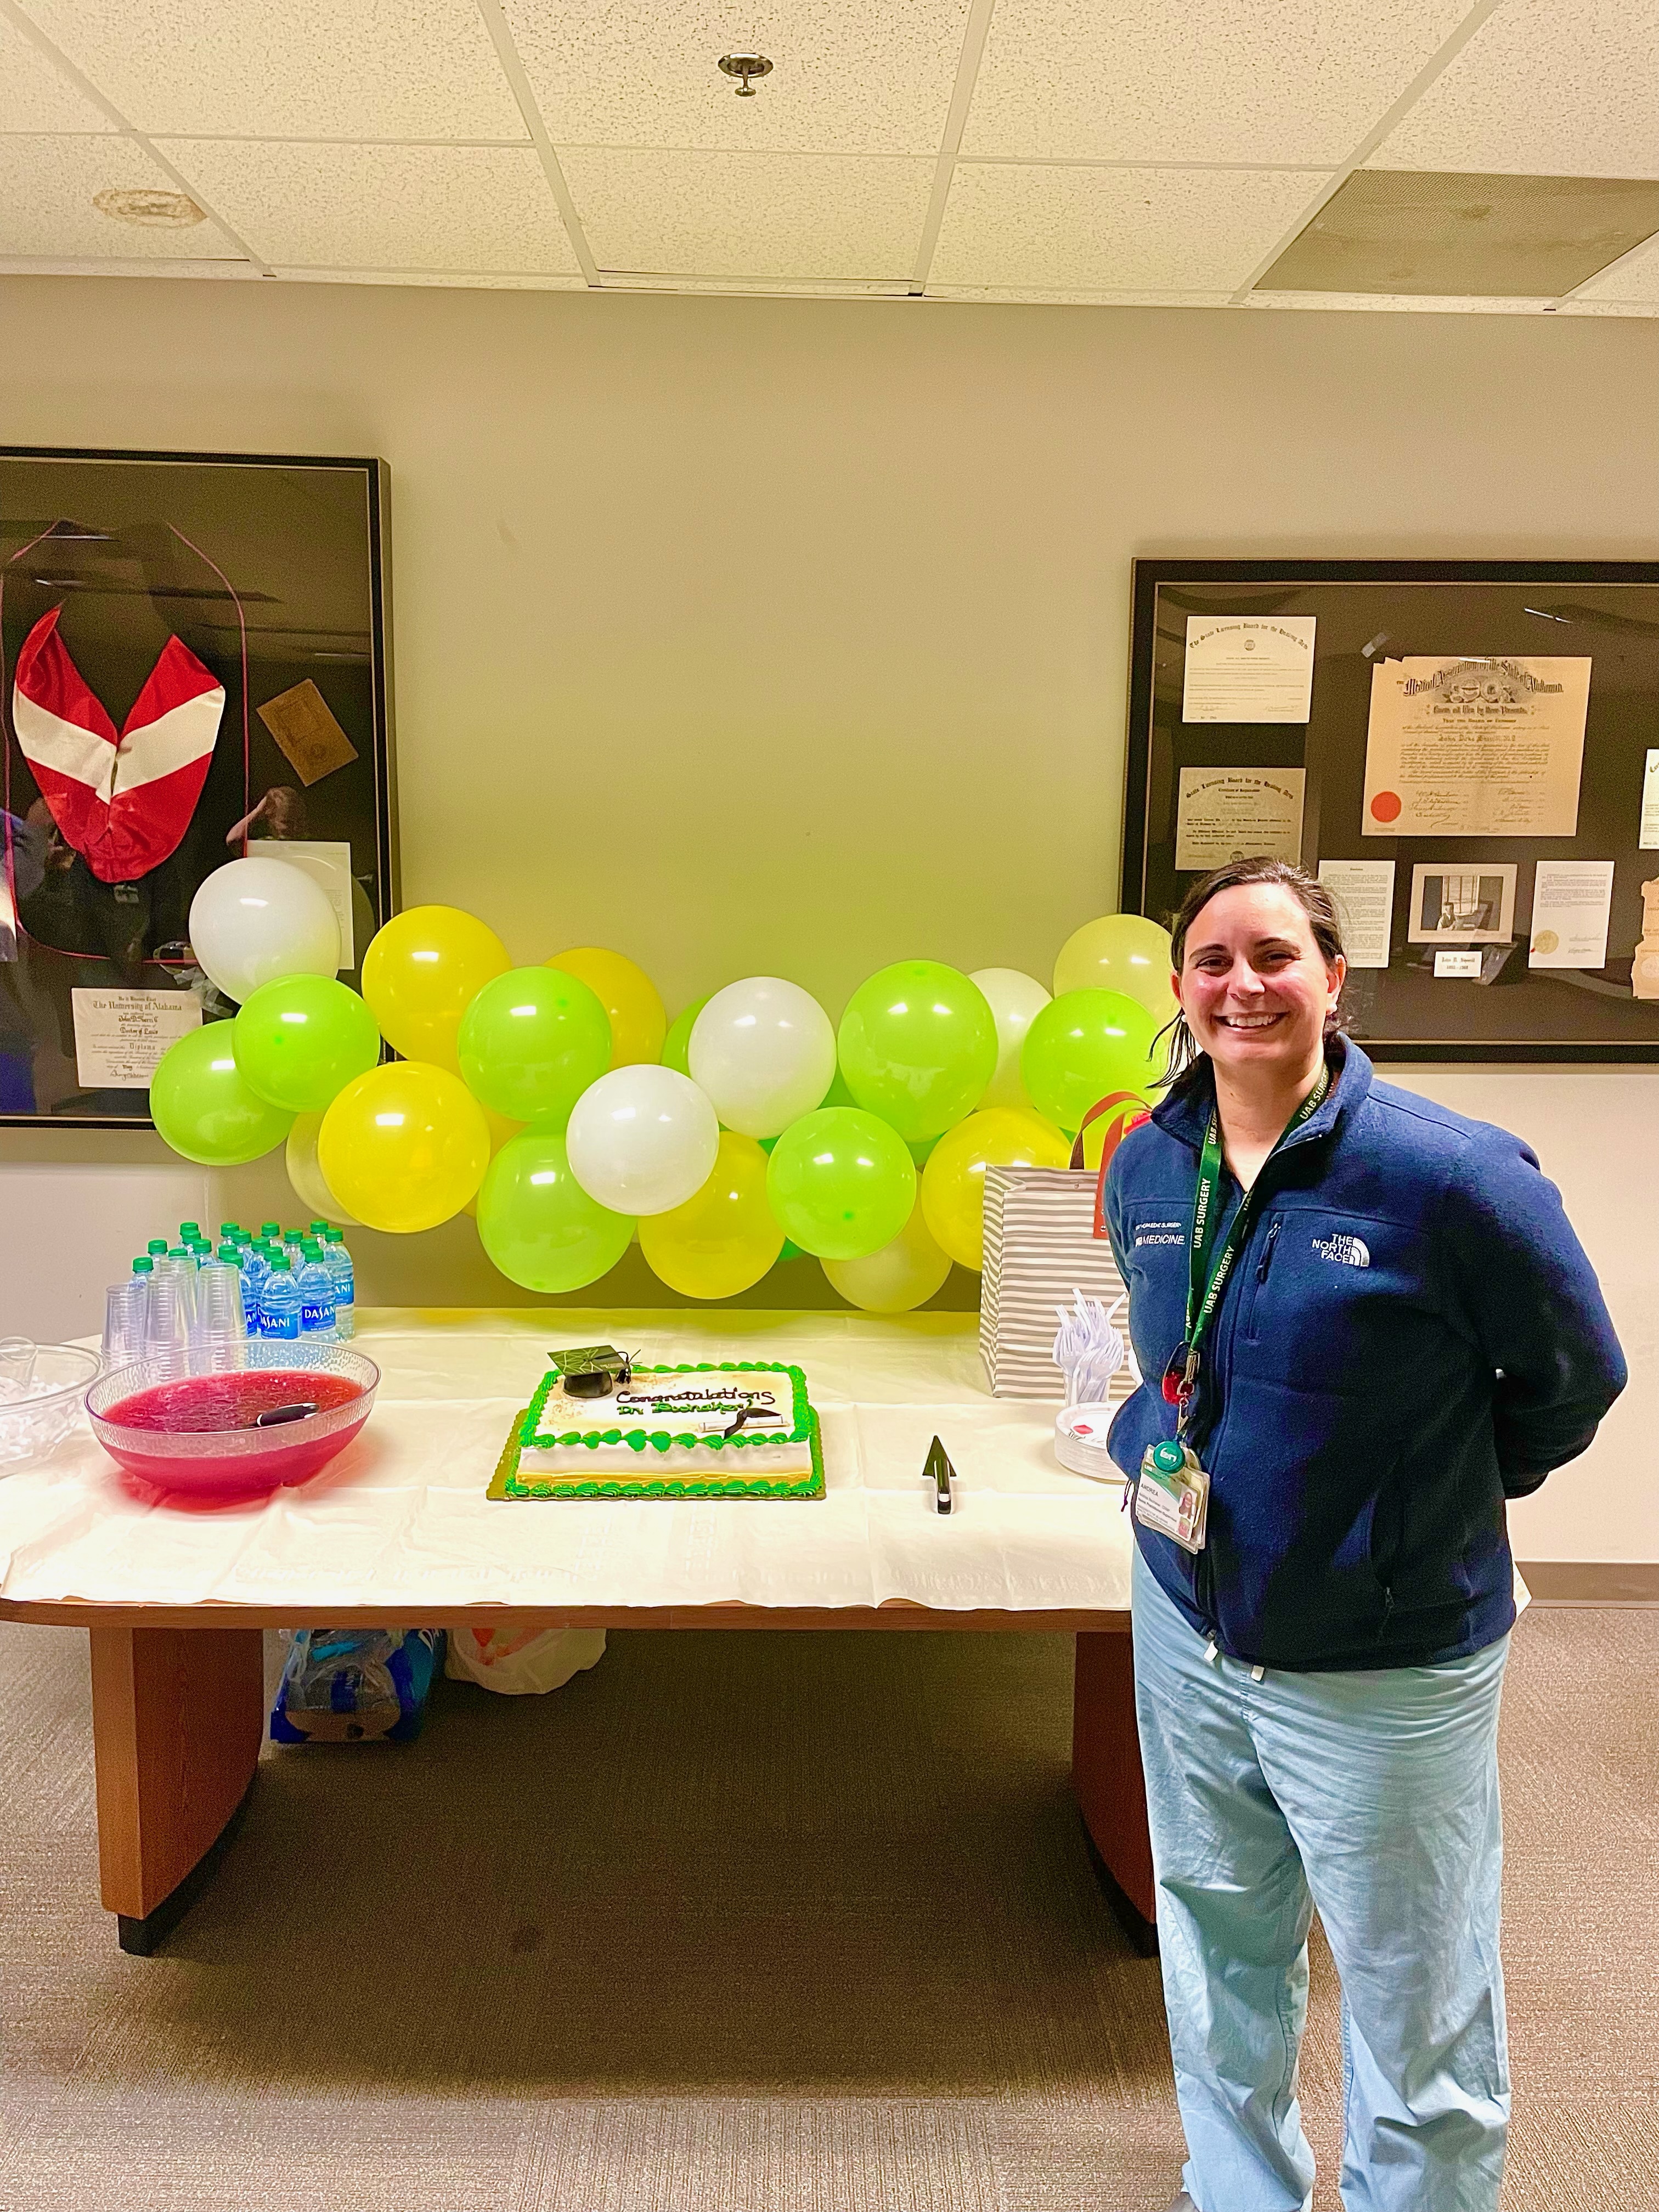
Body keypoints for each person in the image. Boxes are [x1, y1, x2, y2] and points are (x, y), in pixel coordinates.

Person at [1102, 856, 1626, 2212]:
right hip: (1190, 1622)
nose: (1243, 985)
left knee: (1415, 1992)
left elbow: (1575, 1381)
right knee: (1217, 1947)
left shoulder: (1449, 1179)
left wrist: (1425, 1509)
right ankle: (1241, 2189)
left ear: (1334, 980)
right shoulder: (1150, 1162)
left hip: (1383, 1668)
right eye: (1213, 962)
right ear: (1179, 991)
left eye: (1276, 957)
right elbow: (1174, 1365)